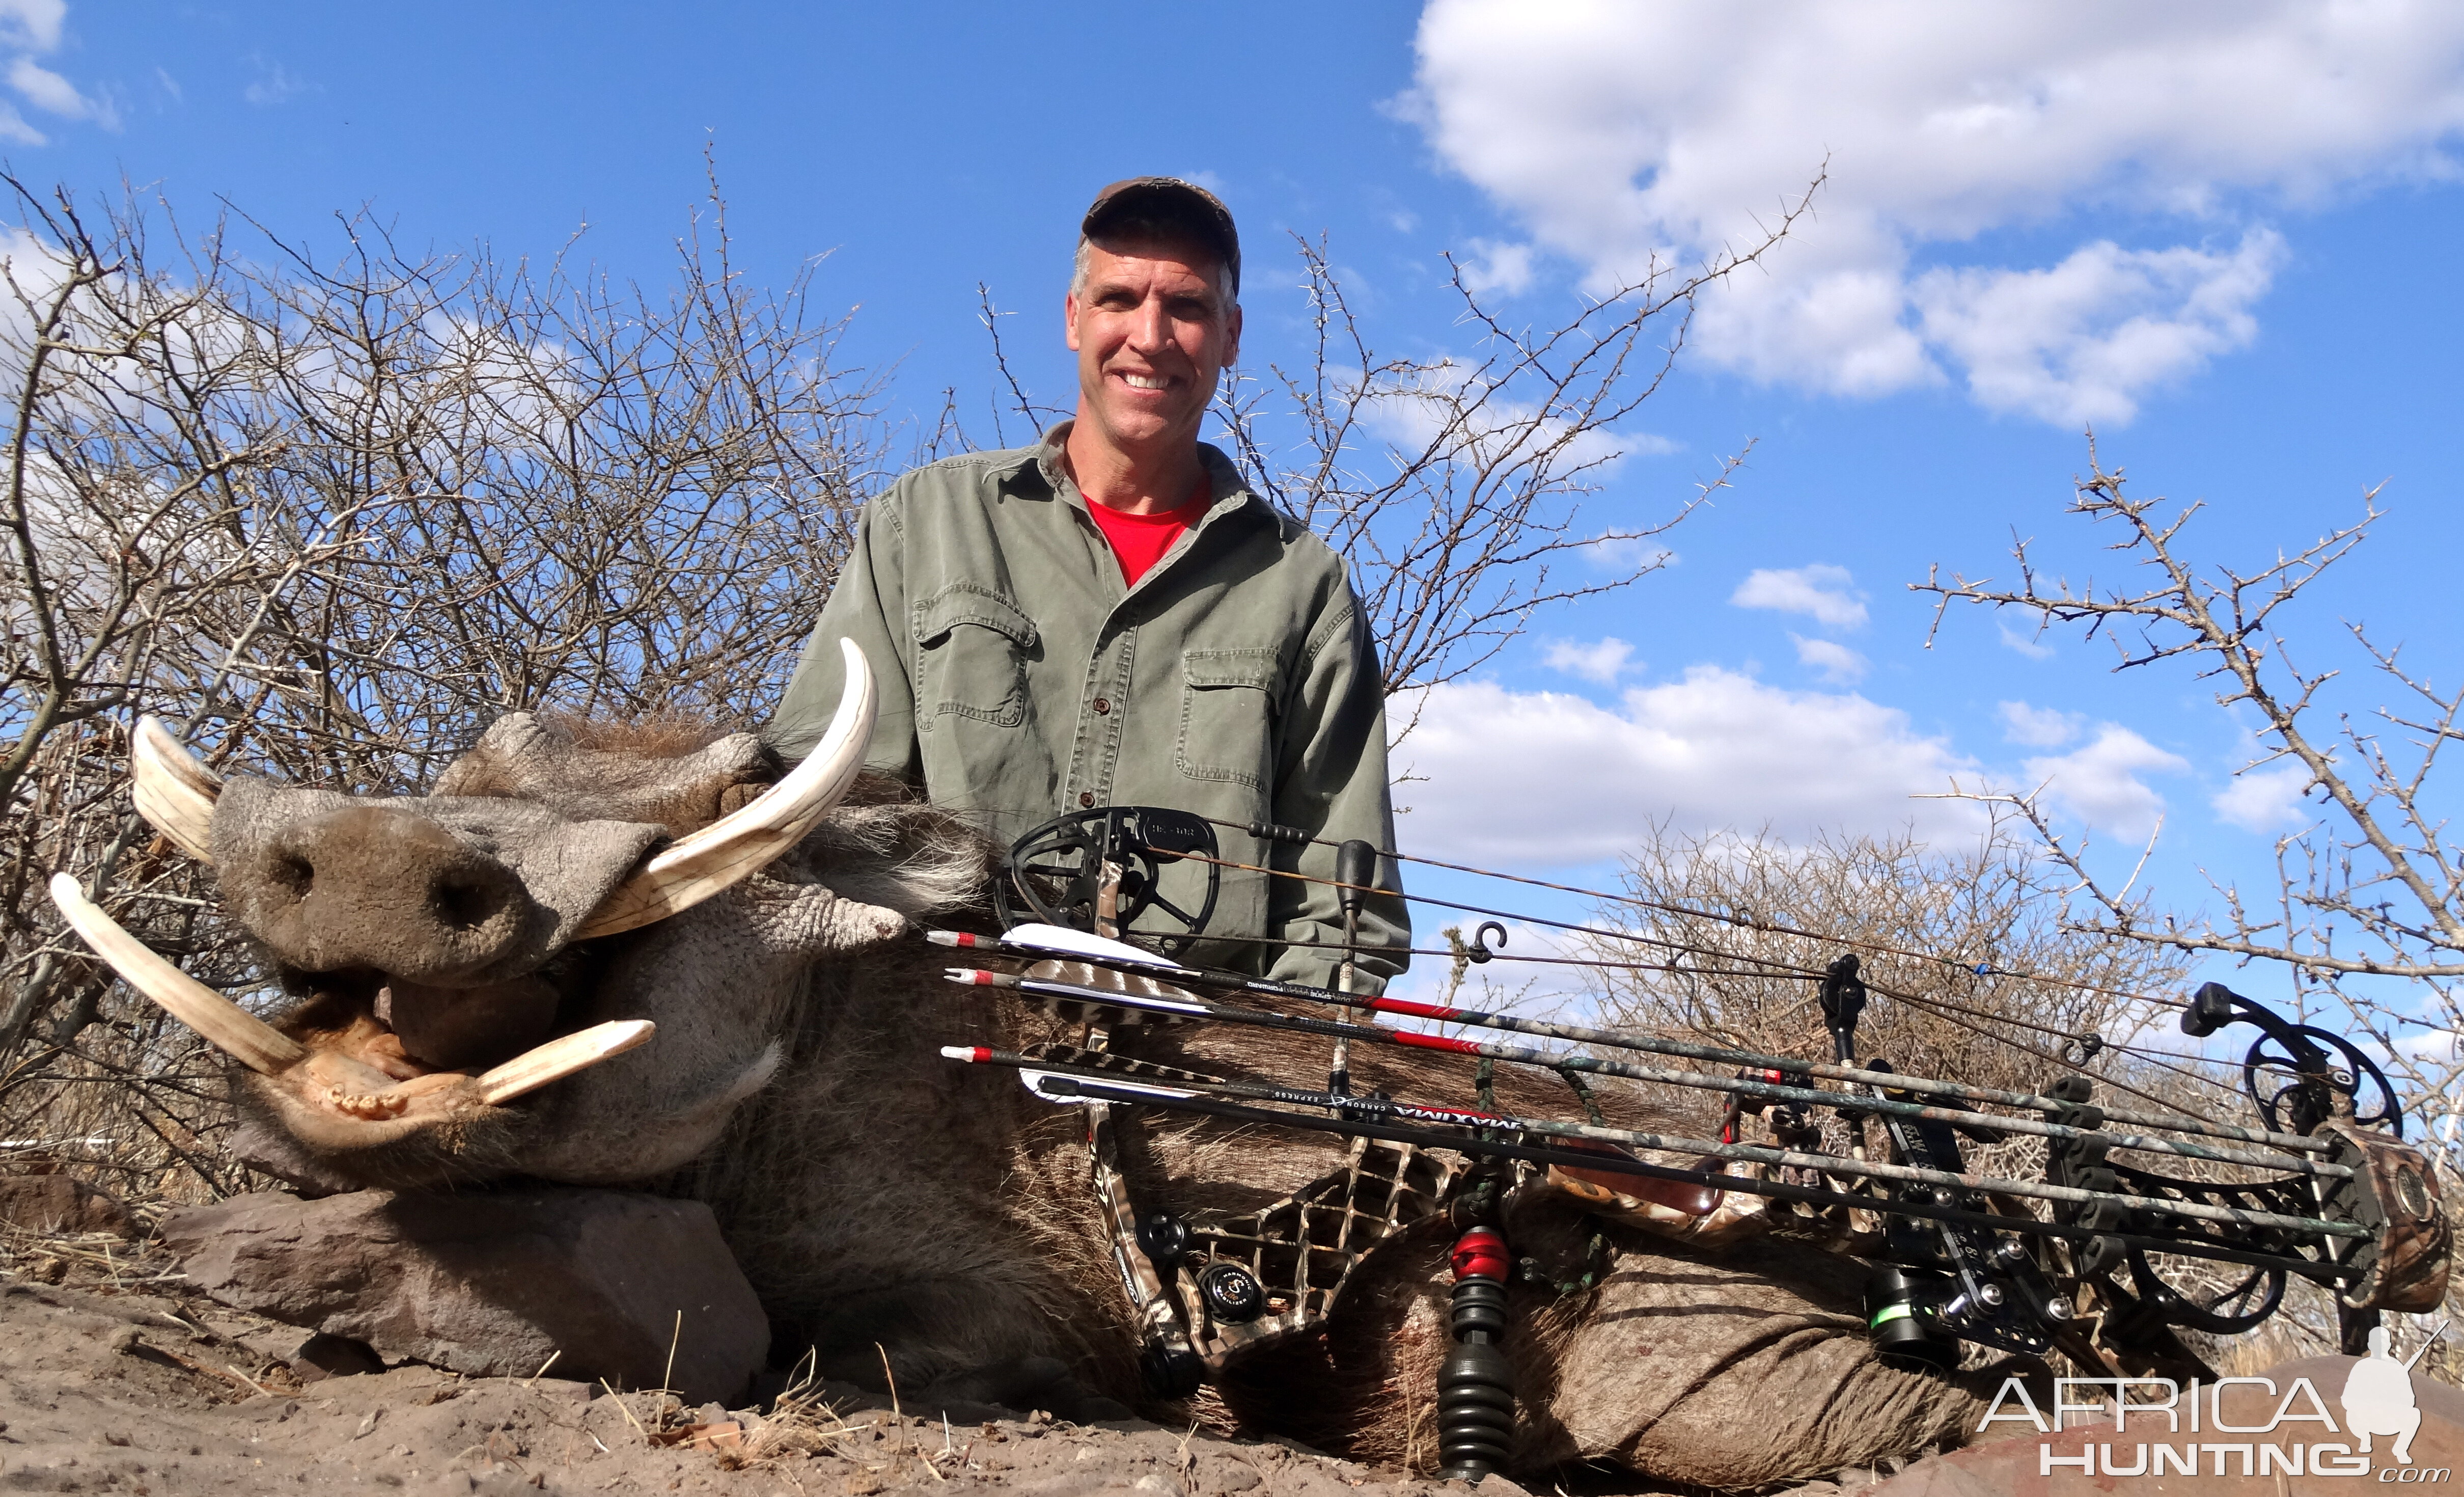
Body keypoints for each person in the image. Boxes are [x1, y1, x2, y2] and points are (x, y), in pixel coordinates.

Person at [768, 178, 1407, 992]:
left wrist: (1283, 1064)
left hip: (1195, 1063)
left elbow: (1343, 916)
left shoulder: (1303, 583)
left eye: (1187, 307)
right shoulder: (919, 523)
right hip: (932, 1034)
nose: (1151, 336)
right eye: (1119, 299)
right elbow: (820, 818)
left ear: (1231, 336)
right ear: (1074, 320)